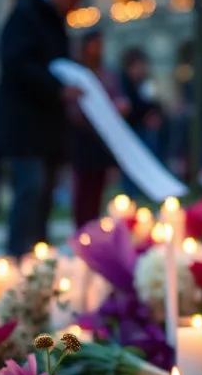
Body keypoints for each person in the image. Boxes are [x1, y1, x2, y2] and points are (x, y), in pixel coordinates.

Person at [0, 0, 88, 256]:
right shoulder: (26, 16)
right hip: (26, 125)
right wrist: (57, 89)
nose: (76, 5)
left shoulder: (52, 20)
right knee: (30, 188)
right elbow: (17, 64)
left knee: (44, 191)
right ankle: (18, 252)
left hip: (46, 126)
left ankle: (37, 251)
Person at [68, 30, 120, 228]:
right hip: (83, 138)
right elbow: (74, 109)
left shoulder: (106, 74)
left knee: (98, 186)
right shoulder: (78, 74)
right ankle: (81, 228)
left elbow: (113, 98)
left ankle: (93, 227)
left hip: (101, 140)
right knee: (83, 187)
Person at [119, 47, 162, 197]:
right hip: (131, 132)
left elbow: (153, 102)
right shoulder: (123, 83)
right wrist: (145, 116)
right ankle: (132, 195)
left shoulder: (143, 83)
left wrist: (154, 114)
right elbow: (129, 108)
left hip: (145, 129)